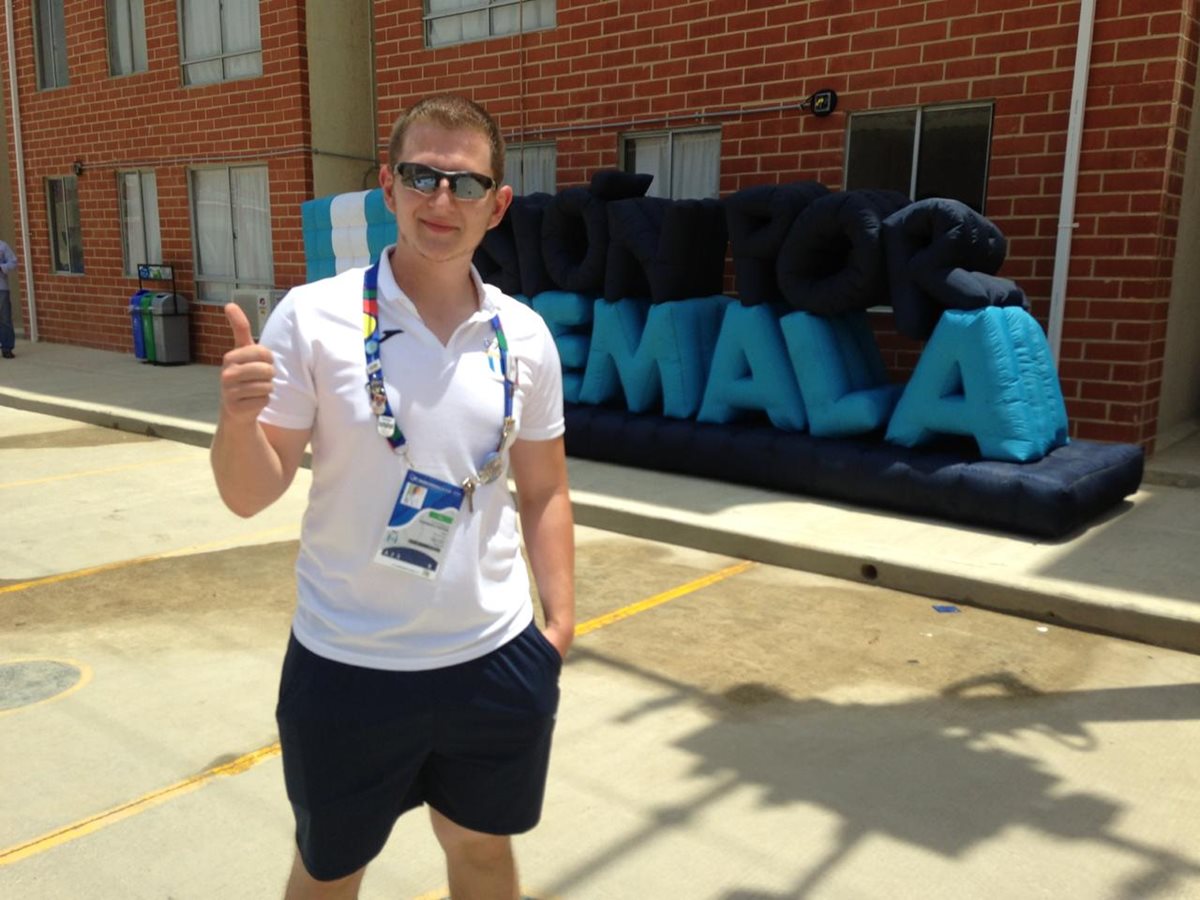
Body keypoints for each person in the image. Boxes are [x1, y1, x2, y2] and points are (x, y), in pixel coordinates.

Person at [211, 94, 575, 899]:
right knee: (331, 870)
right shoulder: (314, 318)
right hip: (349, 666)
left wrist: (557, 626)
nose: (441, 200)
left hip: (495, 658)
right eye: (421, 176)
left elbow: (545, 488)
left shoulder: (526, 336)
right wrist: (237, 422)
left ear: (498, 204)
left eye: (465, 183)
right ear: (388, 187)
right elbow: (248, 494)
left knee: (481, 851)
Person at [0, 236, 18, 359]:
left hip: (1, 288)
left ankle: (7, 347)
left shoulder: (2, 246)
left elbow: (13, 262)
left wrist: (2, 267)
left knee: (5, 319)